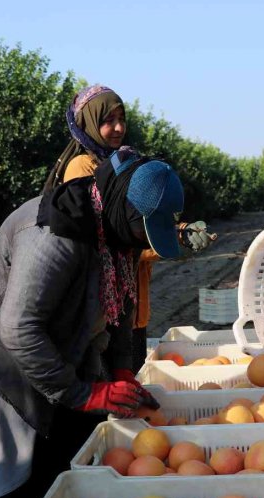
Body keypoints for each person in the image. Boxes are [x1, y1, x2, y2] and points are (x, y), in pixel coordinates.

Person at [0, 147, 184, 498]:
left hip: (60, 350)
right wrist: (83, 394)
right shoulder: (53, 235)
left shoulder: (113, 230)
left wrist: (123, 370)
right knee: (17, 477)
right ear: (122, 211)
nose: (137, 244)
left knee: (68, 457)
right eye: (140, 233)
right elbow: (19, 330)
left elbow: (123, 305)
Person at [43, 84, 214, 373]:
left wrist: (177, 231)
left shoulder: (124, 165)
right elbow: (107, 241)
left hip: (129, 304)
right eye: (108, 120)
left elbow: (141, 223)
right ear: (88, 123)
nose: (118, 127)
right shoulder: (83, 169)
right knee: (108, 386)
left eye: (122, 119)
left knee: (130, 375)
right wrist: (169, 238)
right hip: (100, 311)